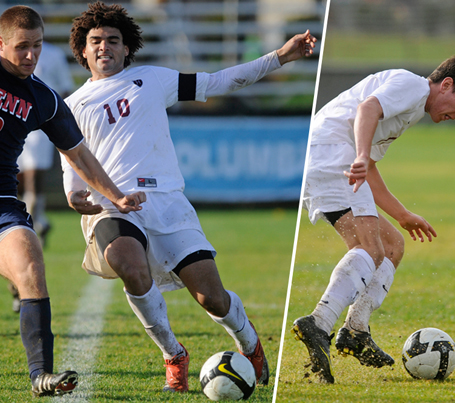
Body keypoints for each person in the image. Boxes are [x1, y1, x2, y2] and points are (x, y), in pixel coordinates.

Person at [61, 1, 316, 393]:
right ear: (83, 49)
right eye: (95, 41)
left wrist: (280, 56)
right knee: (127, 263)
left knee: (211, 298)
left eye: (112, 40)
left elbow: (220, 82)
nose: (104, 47)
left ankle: (249, 342)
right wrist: (74, 195)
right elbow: (72, 162)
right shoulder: (72, 105)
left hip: (166, 202)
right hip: (112, 206)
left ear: (127, 48)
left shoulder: (151, 79)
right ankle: (173, 354)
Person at [292, 56, 455, 383]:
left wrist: (402, 215)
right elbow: (367, 109)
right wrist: (359, 154)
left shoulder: (413, 108)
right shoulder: (413, 85)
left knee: (391, 246)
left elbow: (369, 166)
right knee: (371, 249)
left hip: (331, 156)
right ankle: (318, 322)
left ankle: (355, 330)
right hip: (331, 154)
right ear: (446, 85)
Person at [0, 5, 144, 397]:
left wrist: (116, 196)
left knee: (31, 263)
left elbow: (79, 154)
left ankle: (40, 376)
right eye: (22, 46)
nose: (31, 55)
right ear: (1, 44)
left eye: (37, 46)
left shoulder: (43, 99)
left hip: (2, 203)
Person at [7, 42, 75, 315]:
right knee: (14, 187)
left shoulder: (54, 55)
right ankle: (37, 224)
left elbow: (65, 90)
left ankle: (34, 225)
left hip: (36, 126)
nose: (30, 54)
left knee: (32, 185)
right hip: (8, 123)